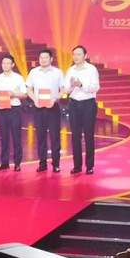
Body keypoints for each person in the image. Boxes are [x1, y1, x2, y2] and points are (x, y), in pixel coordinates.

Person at [26, 49, 65, 173]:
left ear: (51, 59)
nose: (43, 60)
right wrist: (35, 100)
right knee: (40, 136)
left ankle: (56, 164)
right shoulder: (33, 72)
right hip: (38, 107)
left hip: (53, 107)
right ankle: (42, 163)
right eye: (41, 57)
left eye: (46, 57)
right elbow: (28, 89)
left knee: (55, 137)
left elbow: (63, 89)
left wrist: (55, 99)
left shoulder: (57, 72)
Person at [65, 45, 100, 175]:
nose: (76, 57)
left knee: (89, 135)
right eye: (74, 54)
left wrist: (81, 85)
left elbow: (95, 87)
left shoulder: (91, 69)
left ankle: (89, 166)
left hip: (88, 104)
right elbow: (66, 89)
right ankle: (77, 166)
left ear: (85, 56)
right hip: (74, 104)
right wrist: (71, 86)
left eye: (79, 54)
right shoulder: (70, 70)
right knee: (75, 136)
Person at [0, 54, 27, 172]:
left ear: (12, 65)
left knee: (16, 137)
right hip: (2, 110)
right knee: (4, 137)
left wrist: (14, 94)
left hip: (14, 109)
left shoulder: (18, 78)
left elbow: (24, 94)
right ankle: (4, 162)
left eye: (8, 63)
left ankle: (17, 163)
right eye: (3, 63)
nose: (5, 65)